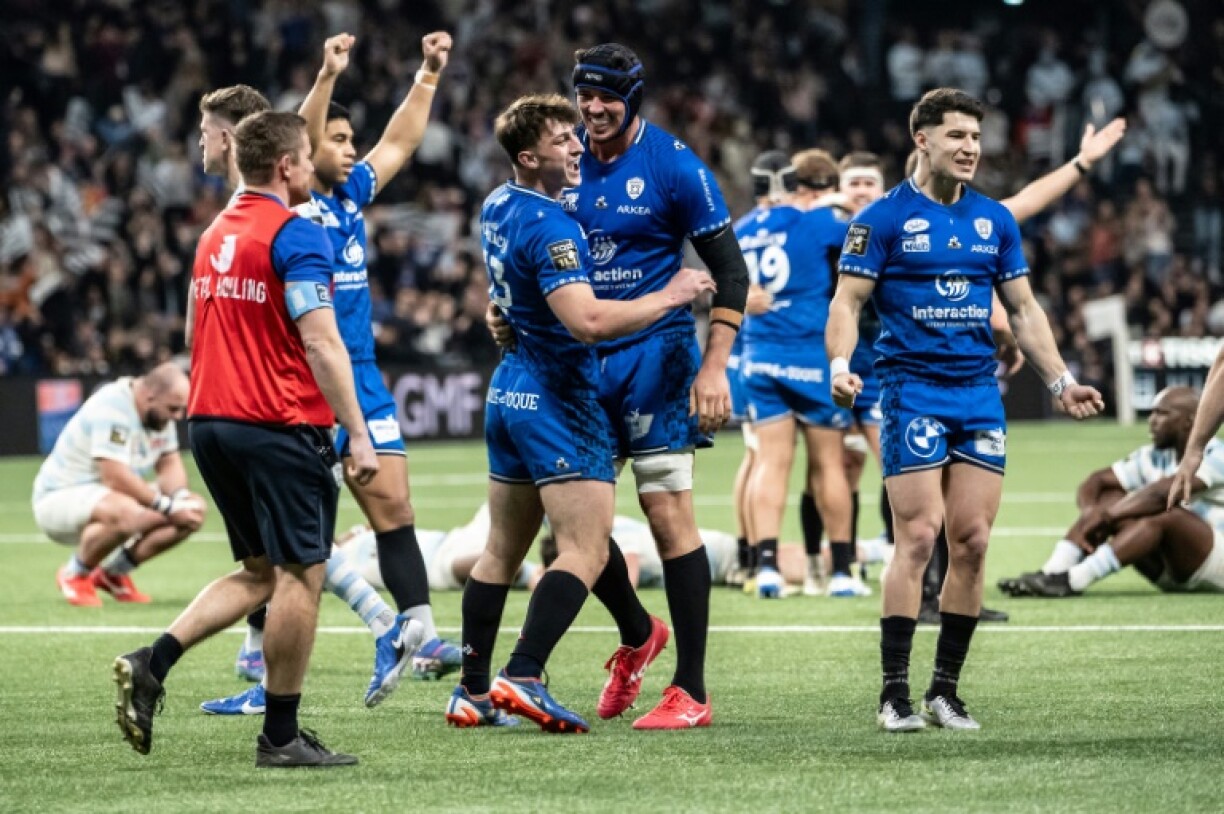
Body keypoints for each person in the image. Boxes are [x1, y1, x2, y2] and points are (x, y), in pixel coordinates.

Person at [826, 88, 1105, 733]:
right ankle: (893, 693)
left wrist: (1061, 380)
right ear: (921, 139)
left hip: (978, 394)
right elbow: (846, 304)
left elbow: (1027, 312)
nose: (970, 148)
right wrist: (841, 367)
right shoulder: (882, 220)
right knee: (918, 536)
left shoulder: (992, 221)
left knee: (973, 543)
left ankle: (944, 691)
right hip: (909, 390)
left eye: (976, 138)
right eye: (957, 136)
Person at [489, 42, 750, 728]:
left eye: (607, 96)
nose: (594, 109)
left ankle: (690, 691)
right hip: (577, 359)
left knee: (668, 515)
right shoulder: (562, 163)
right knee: (576, 530)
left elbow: (731, 270)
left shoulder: (674, 166)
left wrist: (716, 364)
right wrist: (506, 309)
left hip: (655, 359)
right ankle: (638, 634)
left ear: (634, 98)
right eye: (585, 96)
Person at [112, 110, 378, 767]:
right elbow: (320, 340)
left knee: (259, 570)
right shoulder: (294, 235)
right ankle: (281, 738)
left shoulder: (214, 234)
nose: (314, 170)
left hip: (212, 423)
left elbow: (192, 338)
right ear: (285, 166)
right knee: (300, 575)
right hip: (277, 423)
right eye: (308, 160)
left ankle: (153, 661)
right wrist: (359, 433)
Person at [447, 94, 714, 733]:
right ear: (528, 155)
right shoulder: (554, 226)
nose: (577, 148)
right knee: (586, 550)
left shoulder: (498, 204)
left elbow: (511, 287)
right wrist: (674, 292)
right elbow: (588, 321)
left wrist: (504, 315)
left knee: (501, 550)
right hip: (560, 393)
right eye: (564, 139)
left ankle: (471, 691)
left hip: (509, 388)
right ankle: (526, 673)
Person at [194, 82, 418, 706]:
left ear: (237, 139)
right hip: (274, 399)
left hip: (284, 400)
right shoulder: (234, 222)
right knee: (281, 551)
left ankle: (386, 625)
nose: (203, 145)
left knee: (294, 551)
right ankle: (278, 654)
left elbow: (312, 339)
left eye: (209, 132)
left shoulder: (286, 221)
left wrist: (328, 74)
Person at [285, 30, 461, 683]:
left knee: (397, 509)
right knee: (293, 537)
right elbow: (303, 135)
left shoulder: (353, 195)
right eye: (339, 140)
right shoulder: (296, 203)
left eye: (351, 140)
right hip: (306, 382)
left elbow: (402, 142)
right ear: (304, 154)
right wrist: (326, 75)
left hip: (361, 376)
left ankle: (423, 635)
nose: (353, 148)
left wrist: (428, 74)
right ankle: (258, 655)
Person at [735, 149, 865, 600]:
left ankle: (765, 567)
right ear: (794, 187)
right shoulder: (814, 223)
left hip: (758, 355)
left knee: (769, 463)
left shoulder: (740, 231)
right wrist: (841, 206)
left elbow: (718, 281)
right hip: (808, 354)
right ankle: (844, 572)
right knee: (828, 464)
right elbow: (861, 233)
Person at [998, 387, 1224, 597]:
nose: (1152, 421)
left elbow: (1163, 495)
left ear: (1189, 421)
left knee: (1165, 513)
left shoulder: (1217, 454)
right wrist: (1092, 514)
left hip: (1216, 568)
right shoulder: (1154, 454)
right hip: (1170, 568)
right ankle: (1050, 573)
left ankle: (1072, 581)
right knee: (1111, 497)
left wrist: (1106, 518)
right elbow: (1096, 482)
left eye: (1162, 414)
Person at [38, 363, 205, 606]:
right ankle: (74, 573)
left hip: (106, 498)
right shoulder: (113, 406)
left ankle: (112, 574)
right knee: (127, 510)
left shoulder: (157, 413)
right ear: (150, 395)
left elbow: (169, 464)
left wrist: (179, 499)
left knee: (193, 508)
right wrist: (168, 508)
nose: (177, 417)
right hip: (58, 498)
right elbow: (115, 477)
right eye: (173, 409)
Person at [540, 516, 754, 589]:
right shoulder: (598, 531)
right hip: (704, 559)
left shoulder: (609, 536)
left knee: (780, 565)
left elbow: (627, 581)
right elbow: (535, 575)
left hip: (714, 554)